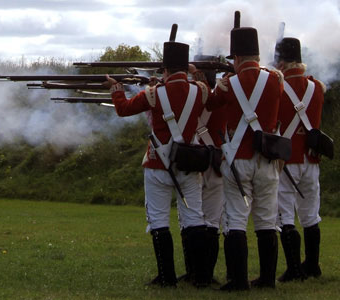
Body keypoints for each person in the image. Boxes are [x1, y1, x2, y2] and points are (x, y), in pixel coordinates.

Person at [103, 37, 212, 288]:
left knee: (159, 220)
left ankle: (166, 277)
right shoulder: (200, 90)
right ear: (186, 68)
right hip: (190, 162)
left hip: (158, 164)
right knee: (195, 218)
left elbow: (123, 109)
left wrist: (116, 88)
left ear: (165, 69)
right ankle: (201, 276)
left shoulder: (153, 94)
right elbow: (209, 97)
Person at [206, 26, 284, 290]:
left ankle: (238, 280)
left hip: (238, 157)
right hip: (268, 159)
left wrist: (220, 83)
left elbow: (211, 104)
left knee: (236, 219)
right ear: (257, 55)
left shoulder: (228, 85)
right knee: (266, 219)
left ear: (236, 57)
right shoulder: (276, 79)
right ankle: (267, 279)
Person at [274, 37, 326, 282]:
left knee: (285, 215)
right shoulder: (317, 87)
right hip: (310, 158)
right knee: (310, 215)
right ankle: (313, 265)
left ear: (281, 62)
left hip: (287, 158)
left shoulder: (278, 86)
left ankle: (294, 269)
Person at [177, 55, 227, 286]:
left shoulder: (187, 96)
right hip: (217, 161)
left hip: (193, 160)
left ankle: (193, 272)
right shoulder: (222, 97)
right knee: (212, 222)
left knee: (189, 219)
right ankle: (206, 275)